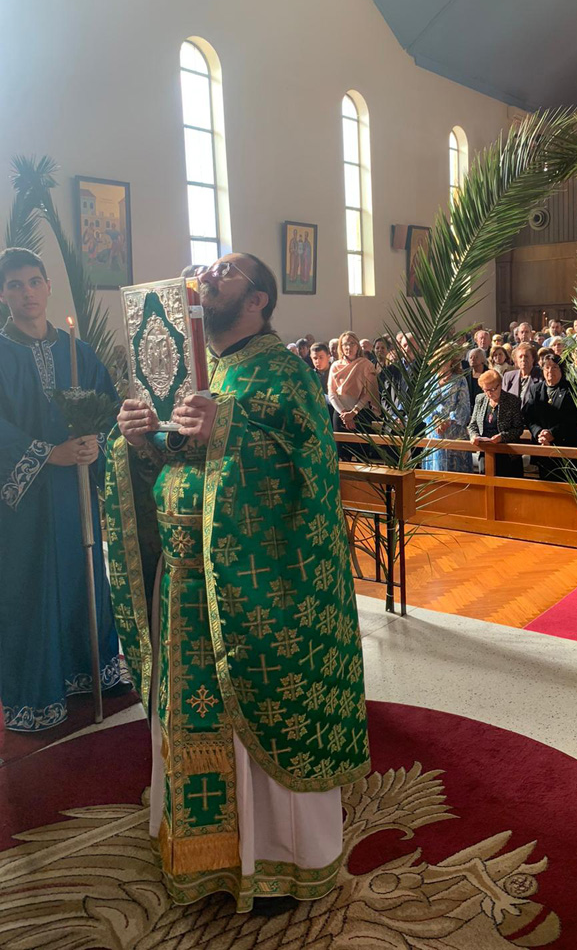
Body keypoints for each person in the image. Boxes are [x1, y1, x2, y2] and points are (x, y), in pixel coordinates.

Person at [107, 252, 369, 911]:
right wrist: (143, 441)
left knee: (256, 719)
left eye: (227, 271)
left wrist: (229, 428)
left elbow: (309, 471)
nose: (210, 276)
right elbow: (181, 461)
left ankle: (280, 856)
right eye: (210, 269)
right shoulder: (206, 369)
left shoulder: (286, 375)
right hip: (188, 586)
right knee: (197, 720)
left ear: (258, 300)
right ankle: (207, 850)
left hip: (262, 593)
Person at [0, 248, 122, 731]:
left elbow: (108, 407)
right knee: (29, 585)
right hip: (24, 503)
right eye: (16, 285)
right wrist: (48, 454)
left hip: (75, 498)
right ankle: (37, 691)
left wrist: (94, 446)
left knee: (81, 573)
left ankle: (88, 672)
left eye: (34, 281)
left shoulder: (78, 351)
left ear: (49, 286)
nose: (27, 293)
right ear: (2, 293)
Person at [529, 351, 577, 481]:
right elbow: (528, 416)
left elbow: (572, 418)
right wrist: (539, 433)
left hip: (565, 448)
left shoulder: (571, 389)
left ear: (562, 370)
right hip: (542, 446)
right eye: (546, 367)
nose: (550, 370)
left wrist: (552, 433)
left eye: (554, 367)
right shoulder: (535, 389)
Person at [328, 332, 380, 457]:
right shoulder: (335, 366)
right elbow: (332, 392)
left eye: (352, 343)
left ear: (357, 346)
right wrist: (344, 413)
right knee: (342, 454)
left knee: (362, 454)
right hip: (340, 414)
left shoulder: (366, 365)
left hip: (361, 413)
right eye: (345, 344)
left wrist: (353, 413)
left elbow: (368, 393)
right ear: (341, 347)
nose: (349, 347)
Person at [468, 369, 524, 477]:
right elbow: (473, 424)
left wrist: (502, 437)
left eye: (493, 389)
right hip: (485, 452)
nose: (489, 393)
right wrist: (474, 436)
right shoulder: (480, 399)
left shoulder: (512, 400)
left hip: (507, 454)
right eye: (486, 390)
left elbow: (518, 428)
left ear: (500, 384)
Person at [421, 357, 472, 473]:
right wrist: (435, 420)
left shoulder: (460, 380)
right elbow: (424, 408)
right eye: (439, 359)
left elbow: (464, 407)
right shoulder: (430, 382)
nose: (441, 362)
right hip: (434, 434)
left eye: (445, 358)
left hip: (454, 434)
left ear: (452, 361)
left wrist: (448, 421)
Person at [502, 342, 540, 431]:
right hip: (512, 427)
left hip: (533, 426)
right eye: (520, 357)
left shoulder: (541, 377)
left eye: (526, 356)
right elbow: (504, 402)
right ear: (516, 360)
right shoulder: (508, 376)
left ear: (533, 359)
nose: (523, 359)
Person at [310, 342, 334, 425]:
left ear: (328, 357)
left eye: (321, 357)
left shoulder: (336, 372)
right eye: (315, 358)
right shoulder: (310, 376)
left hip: (333, 412)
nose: (318, 361)